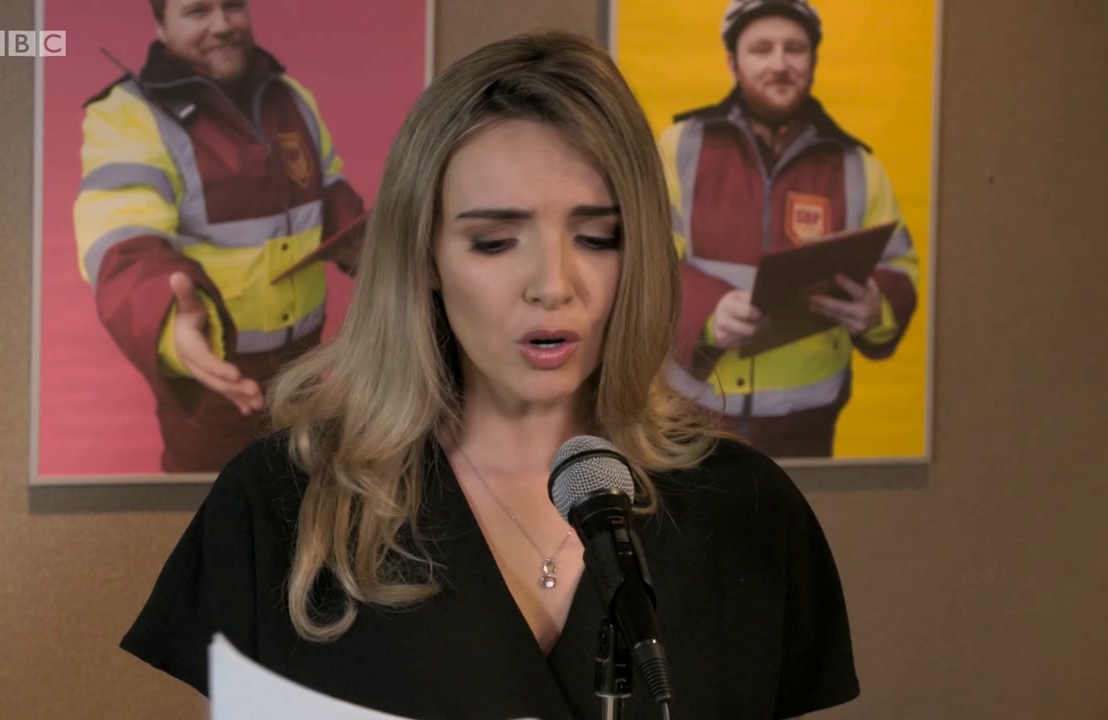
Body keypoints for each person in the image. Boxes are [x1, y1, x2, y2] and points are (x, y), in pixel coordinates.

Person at [120, 30, 859, 719]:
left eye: (597, 237)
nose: (553, 286)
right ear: (425, 257)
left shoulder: (748, 512)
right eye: (496, 242)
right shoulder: (280, 507)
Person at [72, 0, 367, 473]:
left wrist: (365, 242)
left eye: (232, 6)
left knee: (307, 507)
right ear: (160, 26)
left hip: (304, 375)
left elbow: (327, 187)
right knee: (211, 516)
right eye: (197, 11)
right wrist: (170, 324)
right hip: (215, 389)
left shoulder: (293, 97)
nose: (222, 25)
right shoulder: (127, 114)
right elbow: (122, 238)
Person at [658, 0, 921, 458]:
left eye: (794, 49)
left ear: (814, 61)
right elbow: (644, 260)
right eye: (762, 49)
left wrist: (876, 307)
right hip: (689, 421)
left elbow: (900, 267)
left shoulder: (859, 166)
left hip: (806, 430)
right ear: (732, 62)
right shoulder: (679, 146)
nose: (779, 64)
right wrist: (709, 313)